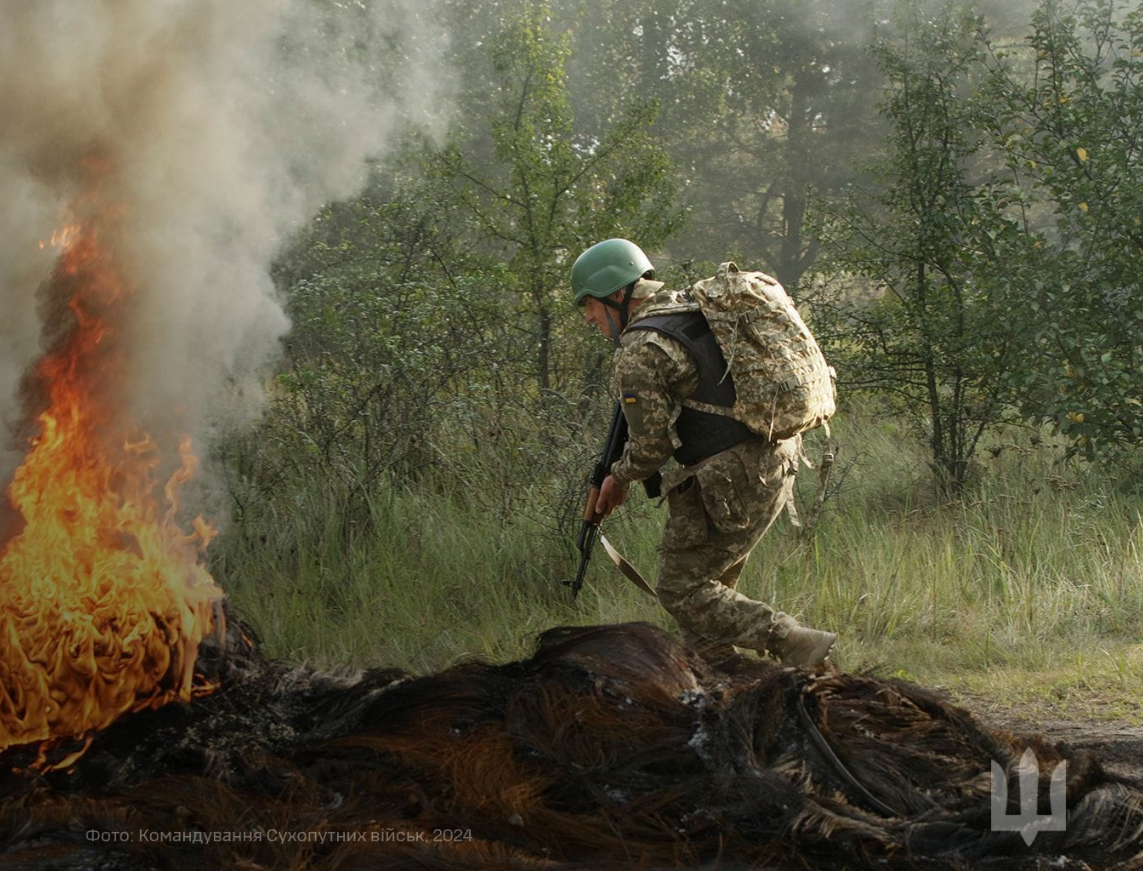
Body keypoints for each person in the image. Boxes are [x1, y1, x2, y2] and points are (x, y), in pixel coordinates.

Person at [572, 238, 836, 667]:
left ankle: (795, 641)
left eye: (589, 304)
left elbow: (651, 447)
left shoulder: (639, 350)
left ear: (617, 295)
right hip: (774, 458)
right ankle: (724, 685)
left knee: (681, 591)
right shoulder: (685, 308)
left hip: (733, 476)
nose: (588, 317)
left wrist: (617, 478)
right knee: (705, 609)